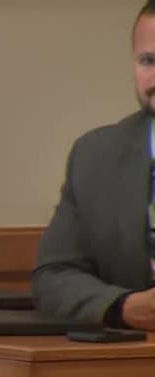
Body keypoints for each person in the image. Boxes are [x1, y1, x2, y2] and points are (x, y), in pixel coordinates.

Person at [34, 1, 155, 329]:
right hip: (128, 354)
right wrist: (122, 306)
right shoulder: (95, 155)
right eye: (148, 61)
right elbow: (54, 276)